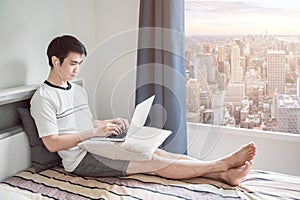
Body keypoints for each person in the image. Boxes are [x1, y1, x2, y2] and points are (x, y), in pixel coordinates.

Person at [31, 35, 256, 186]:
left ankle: (224, 175)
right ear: (55, 61)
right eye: (72, 64)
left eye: (80, 63)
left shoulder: (77, 90)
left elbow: (87, 121)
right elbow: (52, 143)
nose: (77, 69)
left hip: (97, 144)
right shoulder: (43, 97)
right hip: (80, 159)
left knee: (155, 151)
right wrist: (93, 133)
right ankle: (221, 165)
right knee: (152, 162)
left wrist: (108, 123)